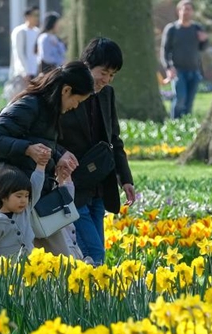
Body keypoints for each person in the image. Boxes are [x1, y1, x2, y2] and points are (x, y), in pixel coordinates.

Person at [0, 61, 94, 257]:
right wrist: (28, 149)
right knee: (23, 258)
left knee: (46, 261)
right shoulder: (30, 105)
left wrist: (58, 154)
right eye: (78, 101)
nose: (75, 106)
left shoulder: (48, 108)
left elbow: (35, 138)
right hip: (17, 193)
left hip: (34, 192)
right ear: (66, 90)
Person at [59, 38, 136, 266]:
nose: (107, 79)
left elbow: (114, 139)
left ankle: (87, 299)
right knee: (94, 254)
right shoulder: (66, 91)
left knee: (94, 252)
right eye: (103, 72)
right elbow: (50, 136)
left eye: (112, 75)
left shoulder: (106, 94)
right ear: (87, 64)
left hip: (100, 185)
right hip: (73, 185)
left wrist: (126, 180)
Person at [0, 160, 73, 260]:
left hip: (28, 268)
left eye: (26, 196)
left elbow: (36, 186)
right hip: (6, 272)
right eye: (19, 196)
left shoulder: (25, 211)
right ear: (3, 196)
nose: (24, 200)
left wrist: (41, 165)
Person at [160, 0, 208, 119]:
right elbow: (165, 51)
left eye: (188, 9)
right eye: (183, 9)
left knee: (189, 102)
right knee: (180, 99)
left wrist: (204, 40)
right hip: (177, 71)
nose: (186, 12)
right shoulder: (172, 29)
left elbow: (202, 48)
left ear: (192, 12)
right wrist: (168, 68)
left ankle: (185, 126)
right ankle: (175, 124)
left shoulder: (197, 28)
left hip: (194, 70)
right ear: (178, 11)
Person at [6, 6, 40, 99]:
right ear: (27, 16)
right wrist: (24, 72)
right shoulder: (19, 31)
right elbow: (18, 53)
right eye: (35, 15)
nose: (37, 18)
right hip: (22, 74)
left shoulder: (37, 31)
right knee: (18, 98)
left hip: (34, 72)